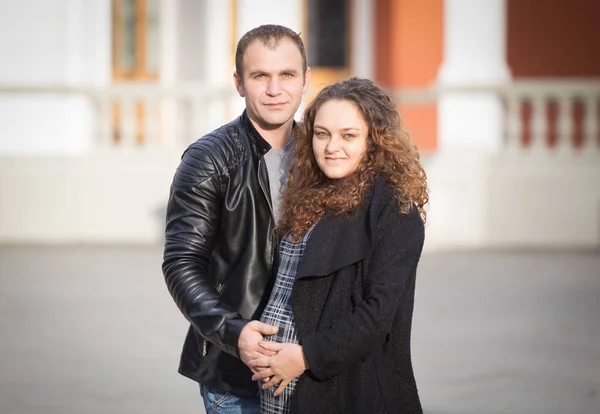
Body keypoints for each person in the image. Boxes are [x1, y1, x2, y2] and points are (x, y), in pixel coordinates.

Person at [249, 77, 429, 414]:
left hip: (340, 387)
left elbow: (377, 315)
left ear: (375, 141)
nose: (332, 147)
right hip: (277, 388)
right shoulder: (309, 193)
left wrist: (304, 357)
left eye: (348, 135)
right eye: (322, 134)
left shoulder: (394, 209)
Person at [162, 24, 311, 414]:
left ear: (305, 80)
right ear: (239, 83)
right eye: (260, 75)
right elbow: (182, 262)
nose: (275, 89)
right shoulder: (209, 159)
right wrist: (234, 332)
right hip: (236, 375)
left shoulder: (324, 155)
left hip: (314, 369)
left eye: (287, 75)